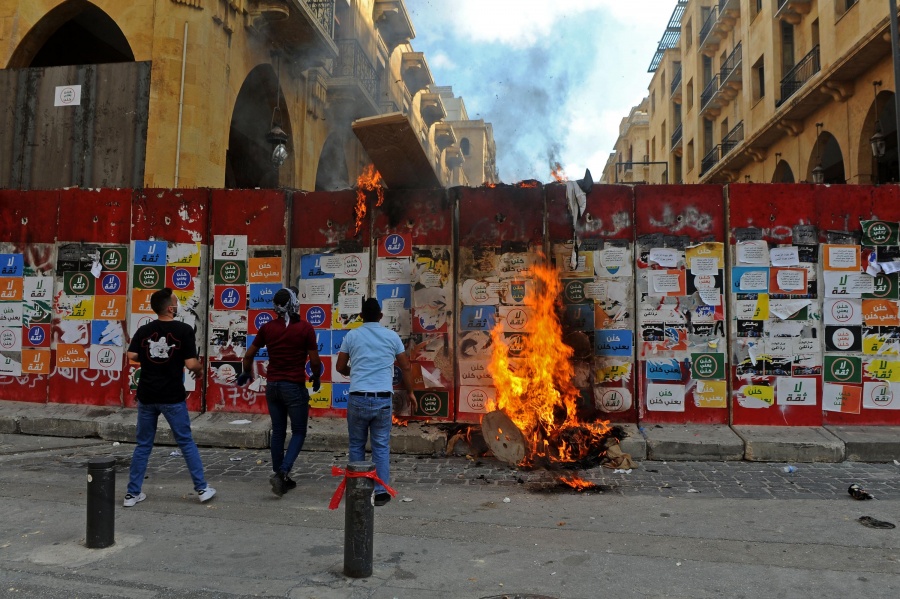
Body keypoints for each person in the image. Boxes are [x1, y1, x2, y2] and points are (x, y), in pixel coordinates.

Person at [124, 288, 215, 506]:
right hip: (172, 396)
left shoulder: (145, 330)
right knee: (185, 441)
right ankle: (202, 489)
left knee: (143, 444)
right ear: (170, 307)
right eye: (176, 301)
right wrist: (200, 370)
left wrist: (148, 356)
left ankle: (132, 494)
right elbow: (191, 363)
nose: (178, 304)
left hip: (146, 395)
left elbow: (132, 355)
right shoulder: (183, 330)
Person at [238, 288, 321, 497]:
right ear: (294, 304)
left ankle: (280, 476)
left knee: (278, 431)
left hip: (273, 386)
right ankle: (283, 472)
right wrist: (316, 376)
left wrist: (246, 374)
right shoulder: (305, 328)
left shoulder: (267, 328)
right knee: (299, 431)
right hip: (293, 385)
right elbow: (314, 361)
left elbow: (248, 355)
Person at [336, 298, 416, 507]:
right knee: (381, 446)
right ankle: (380, 492)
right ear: (380, 316)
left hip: (358, 397)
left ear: (361, 316)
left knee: (356, 444)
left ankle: (358, 489)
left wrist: (353, 373)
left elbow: (340, 366)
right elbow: (405, 367)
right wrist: (410, 392)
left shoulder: (352, 335)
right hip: (382, 399)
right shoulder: (391, 336)